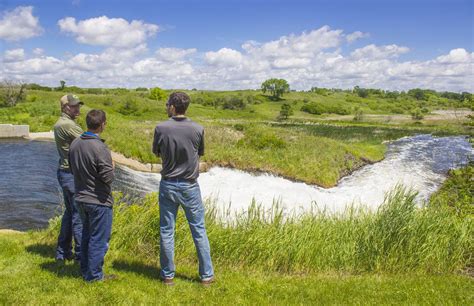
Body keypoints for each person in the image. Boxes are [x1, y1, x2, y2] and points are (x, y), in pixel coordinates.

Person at [152, 92, 214, 286]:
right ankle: (206, 276)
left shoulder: (161, 128)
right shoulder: (197, 128)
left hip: (168, 183)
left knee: (167, 231)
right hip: (189, 185)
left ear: (172, 107)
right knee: (199, 230)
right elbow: (200, 153)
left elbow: (156, 152)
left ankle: (168, 275)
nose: (166, 107)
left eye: (167, 104)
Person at [69, 109, 115, 282]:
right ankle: (94, 276)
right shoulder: (100, 147)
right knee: (99, 240)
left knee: (87, 235)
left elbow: (72, 170)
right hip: (99, 200)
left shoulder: (75, 143)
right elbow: (107, 178)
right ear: (102, 124)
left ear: (87, 123)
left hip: (80, 198)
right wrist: (112, 167)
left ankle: (85, 270)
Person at [53, 94, 84, 261]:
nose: (77, 108)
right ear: (65, 108)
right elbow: (89, 142)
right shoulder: (68, 125)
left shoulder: (62, 123)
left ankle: (63, 252)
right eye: (74, 106)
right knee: (78, 215)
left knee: (70, 213)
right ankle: (81, 257)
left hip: (65, 172)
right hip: (71, 175)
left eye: (78, 105)